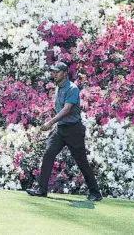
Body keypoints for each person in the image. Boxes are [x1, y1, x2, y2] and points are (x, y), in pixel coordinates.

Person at [26, 62, 102, 201]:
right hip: (61, 130)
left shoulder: (72, 89)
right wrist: (54, 124)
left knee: (81, 162)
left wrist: (50, 122)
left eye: (57, 72)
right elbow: (59, 109)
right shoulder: (58, 87)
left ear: (65, 73)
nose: (54, 74)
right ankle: (41, 190)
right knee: (48, 154)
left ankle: (95, 193)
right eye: (53, 72)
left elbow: (66, 110)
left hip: (74, 130)